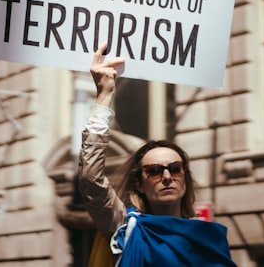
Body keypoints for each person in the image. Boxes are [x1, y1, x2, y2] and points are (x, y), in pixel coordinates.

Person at [79, 45, 236, 266]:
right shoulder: (127, 227)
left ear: (185, 177)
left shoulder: (210, 237)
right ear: (140, 184)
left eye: (174, 168)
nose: (166, 176)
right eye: (153, 171)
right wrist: (104, 96)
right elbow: (90, 179)